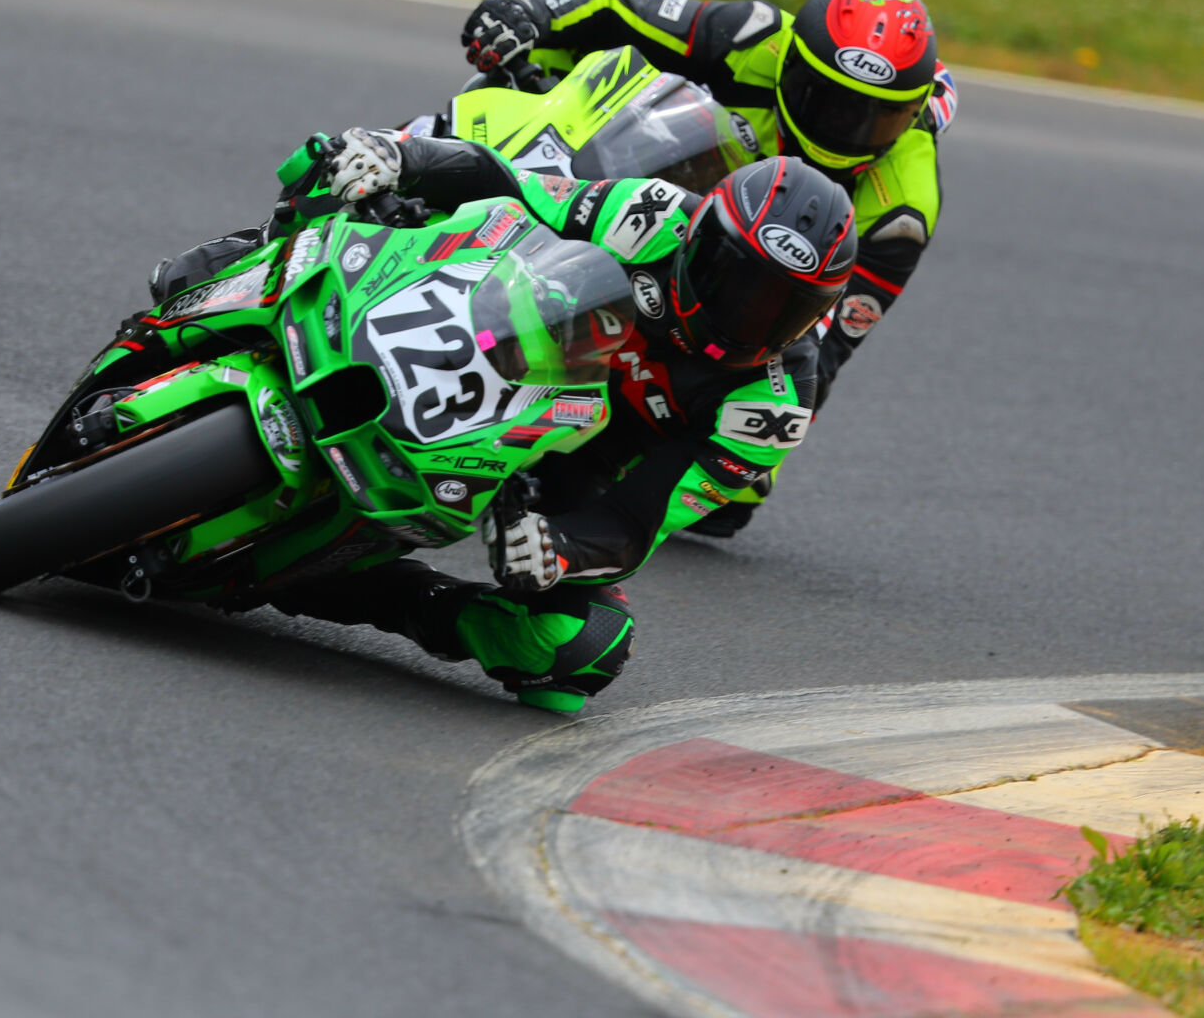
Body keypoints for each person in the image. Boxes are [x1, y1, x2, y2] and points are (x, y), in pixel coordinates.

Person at [234, 129, 856, 711]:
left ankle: (364, 589)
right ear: (699, 235)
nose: (747, 315)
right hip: (497, 344)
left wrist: (559, 548)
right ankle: (231, 280)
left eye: (781, 308)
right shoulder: (652, 214)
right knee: (334, 162)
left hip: (570, 465)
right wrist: (406, 159)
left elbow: (640, 517)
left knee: (583, 647)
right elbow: (508, 184)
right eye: (737, 282)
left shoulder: (774, 407)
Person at [459, 0, 955, 536]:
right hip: (661, 220)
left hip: (732, 315)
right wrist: (528, 11)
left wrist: (748, 437)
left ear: (912, 113)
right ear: (791, 62)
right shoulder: (755, 38)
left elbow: (825, 345)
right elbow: (611, 2)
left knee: (723, 491)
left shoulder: (901, 211)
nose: (845, 133)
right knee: (536, 97)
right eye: (829, 103)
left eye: (876, 118)